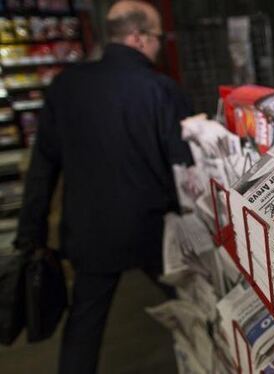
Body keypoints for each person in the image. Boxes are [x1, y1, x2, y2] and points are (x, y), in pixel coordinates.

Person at [14, 1, 193, 373]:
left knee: (84, 326)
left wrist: (30, 233)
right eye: (157, 36)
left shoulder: (66, 86)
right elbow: (184, 167)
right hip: (152, 230)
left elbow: (42, 167)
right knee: (194, 303)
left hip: (89, 231)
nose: (159, 45)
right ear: (138, 37)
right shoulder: (162, 89)